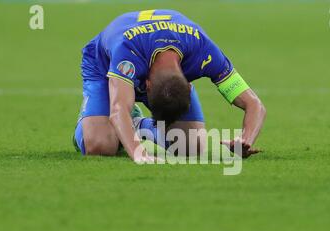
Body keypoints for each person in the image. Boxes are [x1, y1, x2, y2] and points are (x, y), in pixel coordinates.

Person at [73, 9, 266, 163]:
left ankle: (136, 124)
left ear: (188, 84)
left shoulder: (204, 51)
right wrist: (138, 152)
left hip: (151, 58)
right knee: (100, 146)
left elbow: (255, 105)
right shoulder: (127, 52)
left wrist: (245, 141)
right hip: (104, 65)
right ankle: (87, 125)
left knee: (189, 147)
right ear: (145, 86)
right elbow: (118, 109)